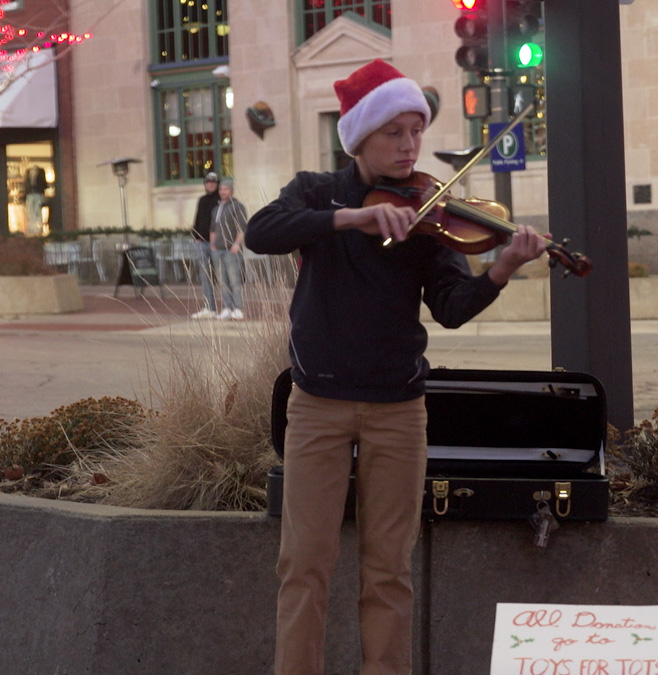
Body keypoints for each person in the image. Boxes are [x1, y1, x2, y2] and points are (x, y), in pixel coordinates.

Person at [244, 58, 547, 675]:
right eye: (395, 133)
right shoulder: (314, 191)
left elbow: (454, 309)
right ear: (359, 138)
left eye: (417, 131)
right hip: (318, 404)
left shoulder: (429, 212)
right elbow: (261, 231)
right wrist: (349, 219)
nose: (411, 146)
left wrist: (502, 268)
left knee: (389, 569)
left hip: (399, 409)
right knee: (304, 563)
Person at [210, 179, 248, 320]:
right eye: (221, 189)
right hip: (217, 250)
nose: (222, 192)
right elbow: (212, 228)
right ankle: (227, 307)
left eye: (225, 189)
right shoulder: (216, 208)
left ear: (231, 190)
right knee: (222, 281)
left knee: (234, 280)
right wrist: (212, 245)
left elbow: (242, 226)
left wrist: (237, 244)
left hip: (231, 250)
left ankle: (238, 308)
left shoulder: (237, 206)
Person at [189, 172, 221, 319]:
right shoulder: (202, 200)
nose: (210, 184)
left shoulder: (221, 200)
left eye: (213, 182)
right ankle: (210, 307)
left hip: (217, 244)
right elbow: (198, 218)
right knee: (205, 276)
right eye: (208, 182)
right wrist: (195, 236)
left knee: (222, 275)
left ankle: (229, 307)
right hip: (201, 242)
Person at [24, 165, 48, 237]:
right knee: (30, 212)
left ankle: (37, 230)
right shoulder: (28, 174)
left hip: (38, 194)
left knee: (37, 212)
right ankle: (31, 229)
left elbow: (44, 185)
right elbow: (27, 185)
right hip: (30, 194)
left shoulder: (40, 173)